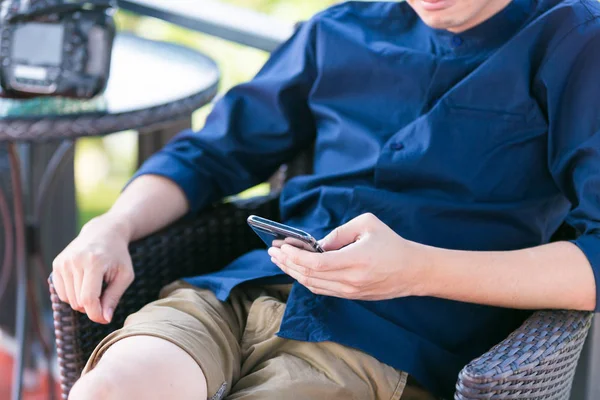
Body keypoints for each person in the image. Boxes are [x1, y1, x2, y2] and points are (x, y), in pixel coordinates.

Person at [52, 0, 600, 399]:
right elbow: (207, 156)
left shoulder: (573, 41)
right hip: (238, 295)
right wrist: (111, 227)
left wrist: (415, 271)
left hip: (390, 346)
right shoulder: (339, 30)